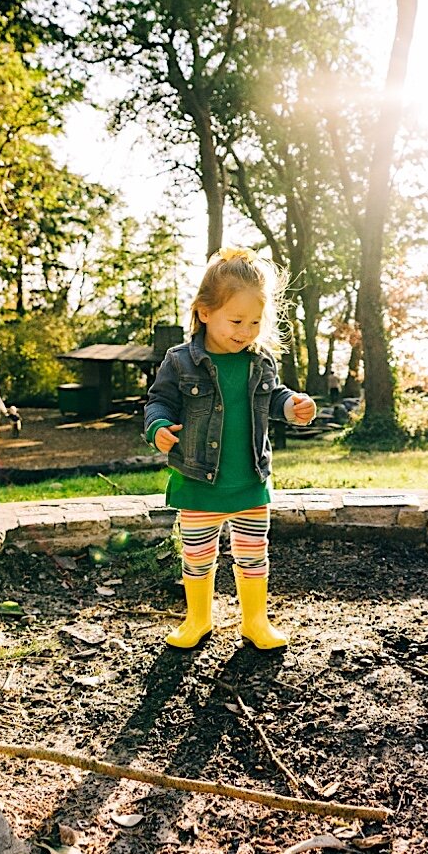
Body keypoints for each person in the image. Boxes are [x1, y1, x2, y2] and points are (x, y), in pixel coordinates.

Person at [143, 247, 316, 650]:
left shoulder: (260, 361)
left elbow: (274, 397)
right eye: (236, 320)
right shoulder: (180, 361)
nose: (245, 331)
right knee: (198, 557)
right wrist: (158, 428)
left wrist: (293, 405)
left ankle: (255, 621)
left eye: (255, 322)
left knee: (254, 555)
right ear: (204, 312)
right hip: (200, 481)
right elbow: (159, 402)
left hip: (250, 481)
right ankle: (198, 619)